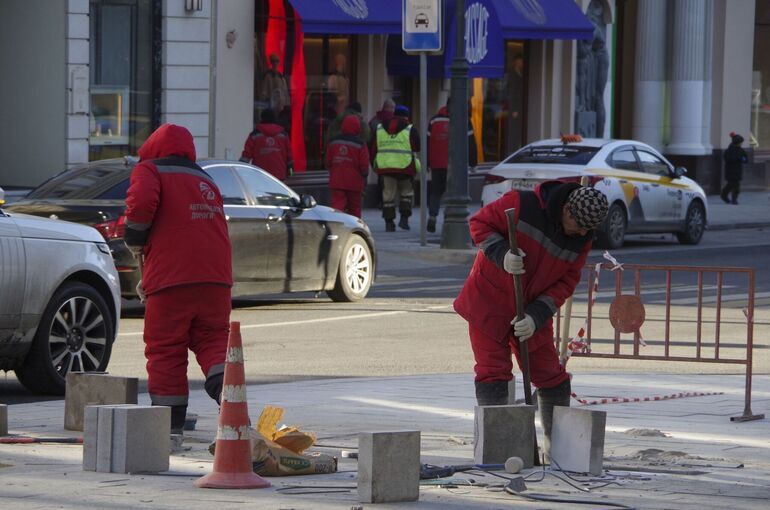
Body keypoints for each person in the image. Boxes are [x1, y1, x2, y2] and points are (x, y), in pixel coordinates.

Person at [454, 182, 608, 458]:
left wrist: (537, 316)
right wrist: (502, 254)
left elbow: (566, 281)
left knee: (550, 374)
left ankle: (558, 449)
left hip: (532, 308)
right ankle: (498, 452)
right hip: (489, 299)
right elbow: (479, 224)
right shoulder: (522, 205)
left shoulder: (581, 239)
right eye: (580, 225)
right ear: (566, 210)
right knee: (493, 370)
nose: (583, 233)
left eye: (589, 230)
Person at [124, 123, 233, 435]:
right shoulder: (205, 178)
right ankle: (232, 401)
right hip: (216, 279)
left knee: (165, 348)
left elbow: (141, 204)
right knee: (212, 339)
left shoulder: (150, 170)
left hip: (172, 278)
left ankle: (167, 424)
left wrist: (134, 237)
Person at [426, 99, 478, 233]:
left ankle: (432, 216)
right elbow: (471, 143)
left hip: (437, 163)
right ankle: (450, 220)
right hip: (456, 164)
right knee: (454, 193)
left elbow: (427, 143)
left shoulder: (433, 121)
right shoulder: (464, 121)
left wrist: (427, 162)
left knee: (436, 192)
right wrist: (473, 163)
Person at [373, 105, 421, 231]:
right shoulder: (410, 129)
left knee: (388, 195)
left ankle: (389, 223)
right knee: (406, 194)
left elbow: (374, 147)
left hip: (386, 167)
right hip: (405, 167)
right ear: (406, 116)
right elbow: (417, 146)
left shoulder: (380, 128)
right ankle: (404, 220)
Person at [326, 114, 370, 218]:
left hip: (337, 180)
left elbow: (328, 162)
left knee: (337, 207)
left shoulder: (333, 142)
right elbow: (364, 165)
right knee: (355, 209)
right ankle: (354, 228)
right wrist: (364, 177)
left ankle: (336, 225)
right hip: (354, 182)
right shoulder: (360, 144)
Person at [240, 108, 293, 181]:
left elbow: (246, 156)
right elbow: (289, 156)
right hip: (279, 176)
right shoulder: (283, 134)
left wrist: (239, 169)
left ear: (262, 118)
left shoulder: (255, 134)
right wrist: (290, 173)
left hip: (260, 174)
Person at [721, 132, 748, 205]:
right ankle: (727, 196)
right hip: (730, 170)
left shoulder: (741, 150)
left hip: (738, 170)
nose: (741, 144)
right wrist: (737, 158)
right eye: (740, 142)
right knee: (733, 185)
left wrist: (743, 159)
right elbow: (727, 159)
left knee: (734, 185)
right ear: (737, 142)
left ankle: (729, 198)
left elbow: (745, 159)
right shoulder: (729, 150)